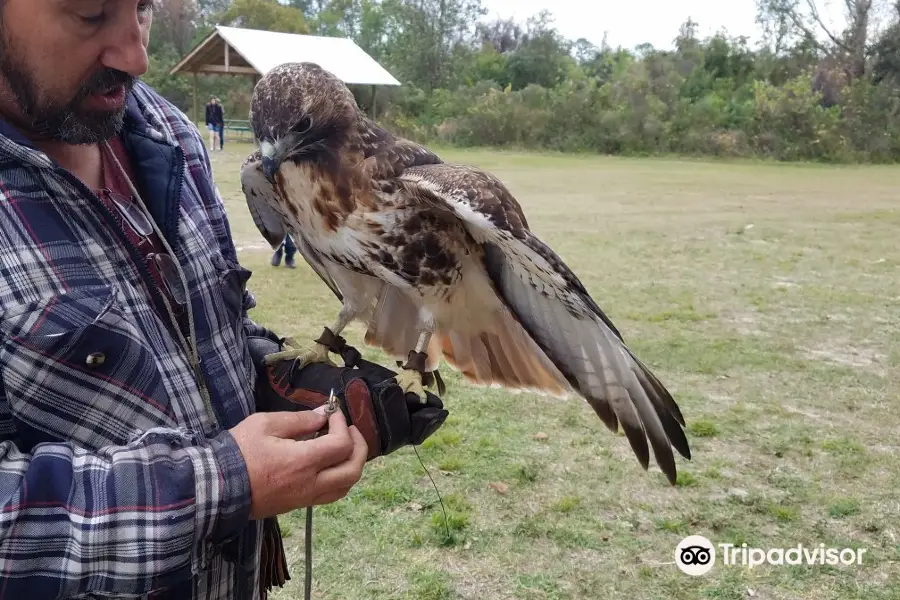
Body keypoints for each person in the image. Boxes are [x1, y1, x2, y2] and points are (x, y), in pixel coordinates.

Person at [0, 2, 447, 599]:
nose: (137, 55)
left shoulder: (164, 131)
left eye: (143, 8)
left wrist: (275, 378)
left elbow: (201, 328)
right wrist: (223, 482)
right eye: (90, 13)